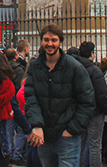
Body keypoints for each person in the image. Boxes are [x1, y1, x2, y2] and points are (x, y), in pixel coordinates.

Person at [25, 24, 94, 167]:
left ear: (60, 42)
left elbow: (87, 101)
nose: (50, 44)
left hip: (66, 136)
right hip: (44, 135)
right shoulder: (35, 66)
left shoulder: (74, 67)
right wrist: (37, 125)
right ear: (41, 41)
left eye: (54, 40)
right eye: (46, 40)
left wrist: (72, 129)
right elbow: (31, 98)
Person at [74, 41, 107, 167]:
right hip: (94, 112)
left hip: (78, 112)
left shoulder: (74, 68)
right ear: (92, 53)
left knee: (80, 145)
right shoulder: (95, 70)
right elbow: (101, 94)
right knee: (95, 146)